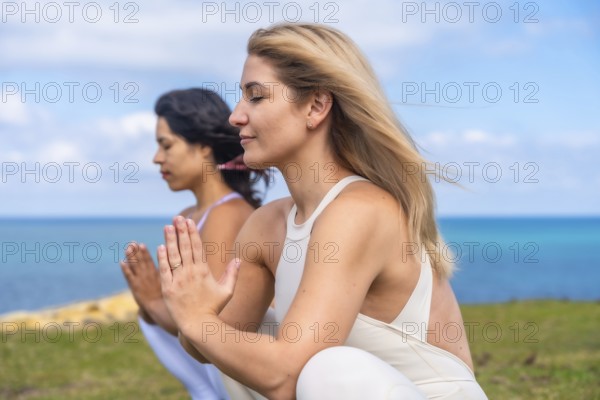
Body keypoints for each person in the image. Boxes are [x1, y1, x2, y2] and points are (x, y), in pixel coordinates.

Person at [157, 24, 488, 399]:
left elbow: (286, 377)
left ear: (315, 106)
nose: (235, 116)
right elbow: (205, 346)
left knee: (323, 367)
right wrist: (190, 306)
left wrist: (199, 321)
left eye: (256, 97)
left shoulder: (360, 208)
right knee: (243, 341)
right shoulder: (264, 225)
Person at [119, 88, 269, 400]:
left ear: (203, 147)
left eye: (166, 145)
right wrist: (149, 303)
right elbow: (173, 315)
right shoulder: (190, 216)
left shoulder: (227, 215)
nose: (157, 158)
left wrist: (151, 301)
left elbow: (208, 325)